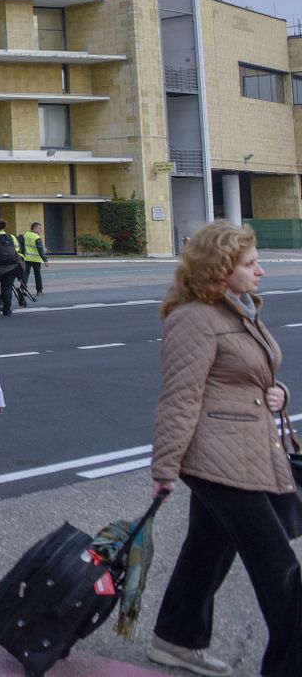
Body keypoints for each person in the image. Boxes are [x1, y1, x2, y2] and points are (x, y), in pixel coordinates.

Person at [149, 222, 298, 677]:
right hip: (218, 458)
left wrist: (280, 394)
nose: (261, 271)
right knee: (282, 573)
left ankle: (176, 638)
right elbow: (180, 396)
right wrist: (165, 468)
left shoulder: (235, 309)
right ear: (221, 268)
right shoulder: (195, 318)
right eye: (251, 264)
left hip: (245, 447)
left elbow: (248, 377)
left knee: (208, 548)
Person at [0, 219, 20, 316]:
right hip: (11, 266)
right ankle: (7, 309)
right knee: (7, 287)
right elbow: (17, 249)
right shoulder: (12, 237)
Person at [20, 221, 48, 296]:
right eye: (39, 228)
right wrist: (45, 260)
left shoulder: (25, 235)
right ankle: (39, 290)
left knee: (25, 274)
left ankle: (22, 289)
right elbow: (40, 249)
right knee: (37, 275)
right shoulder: (37, 237)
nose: (40, 230)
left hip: (27, 258)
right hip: (36, 259)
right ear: (34, 228)